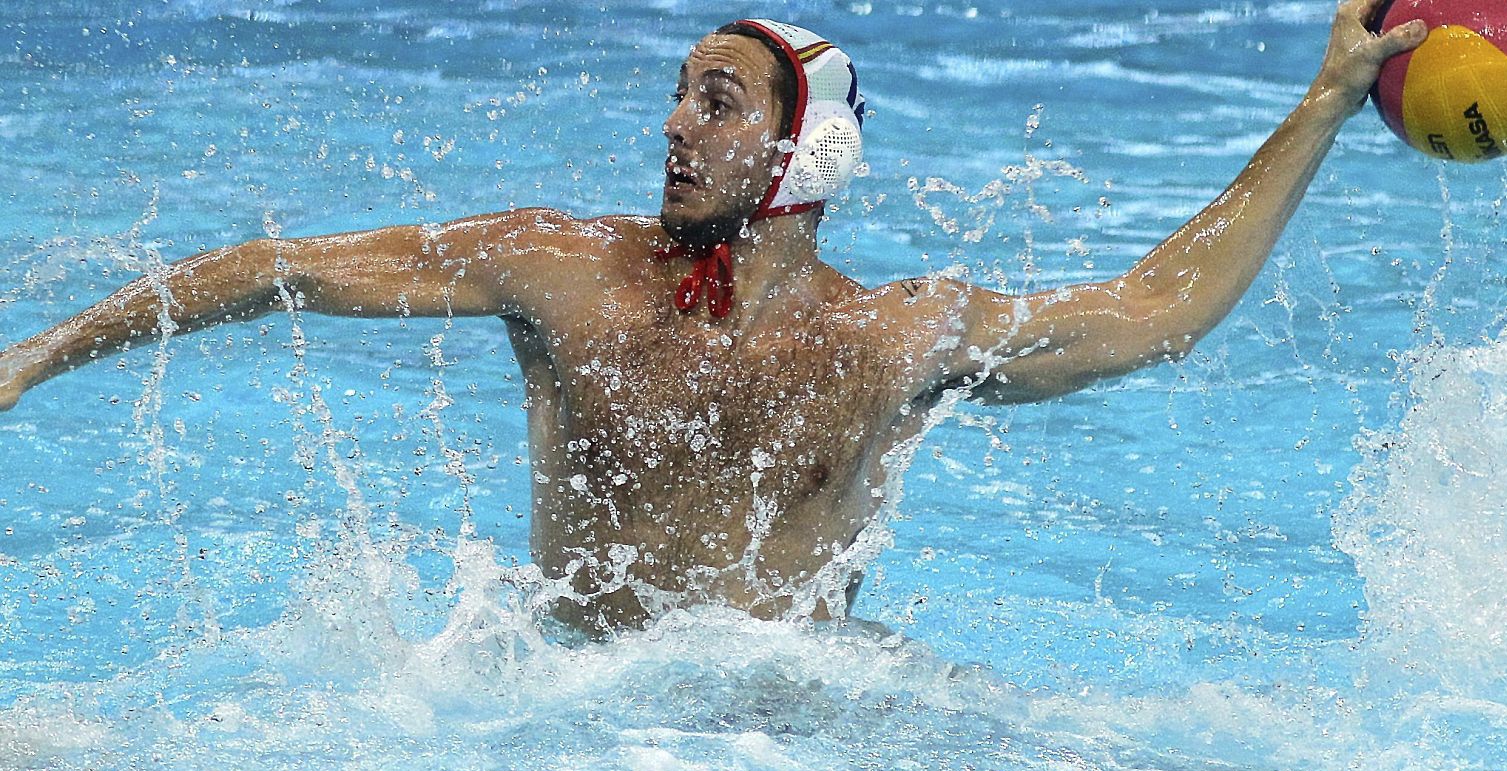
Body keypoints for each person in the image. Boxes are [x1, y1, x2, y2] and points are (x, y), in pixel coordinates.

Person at [0, 7, 1426, 634]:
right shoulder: (563, 268)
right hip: (581, 730)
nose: (674, 126)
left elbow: (1158, 310)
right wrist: (33, 357)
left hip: (795, 742)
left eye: (717, 101)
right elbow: (278, 268)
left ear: (801, 160)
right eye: (680, 92)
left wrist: (1322, 105)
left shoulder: (894, 336)